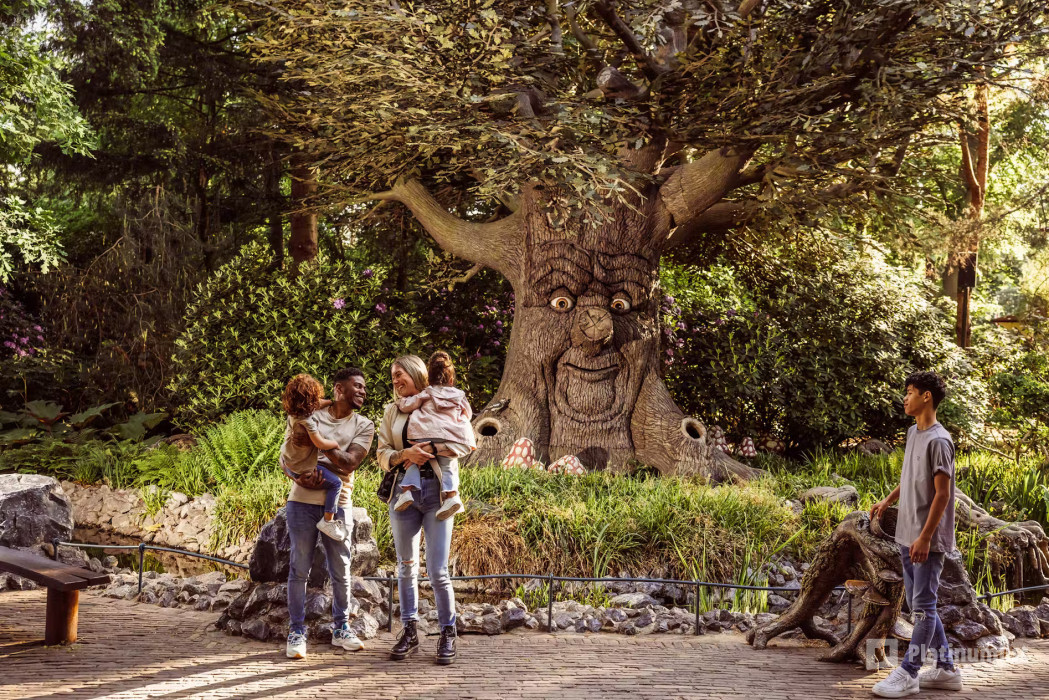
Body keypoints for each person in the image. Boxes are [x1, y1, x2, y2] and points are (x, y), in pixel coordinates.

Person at [870, 371, 962, 697]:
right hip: (906, 535)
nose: (905, 397)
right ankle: (947, 670)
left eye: (910, 391)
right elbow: (910, 476)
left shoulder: (940, 441)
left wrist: (925, 537)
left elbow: (943, 494)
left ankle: (909, 672)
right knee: (920, 605)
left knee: (923, 608)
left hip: (927, 540)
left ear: (926, 397)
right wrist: (887, 500)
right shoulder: (913, 433)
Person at [377, 354, 472, 665]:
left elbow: (463, 443)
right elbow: (381, 454)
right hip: (403, 492)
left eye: (400, 374)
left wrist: (431, 449)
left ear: (417, 374)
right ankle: (410, 631)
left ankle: (447, 632)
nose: (395, 381)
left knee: (438, 570)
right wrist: (405, 454)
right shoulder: (393, 411)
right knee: (405, 566)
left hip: (438, 494)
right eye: (393, 376)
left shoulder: (445, 402)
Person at [284, 367, 374, 660]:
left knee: (341, 570)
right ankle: (297, 631)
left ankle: (341, 628)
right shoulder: (310, 413)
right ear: (338, 389)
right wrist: (297, 476)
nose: (362, 391)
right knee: (299, 569)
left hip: (339, 506)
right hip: (301, 501)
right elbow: (286, 456)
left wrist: (321, 448)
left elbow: (349, 463)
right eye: (357, 386)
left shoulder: (364, 425)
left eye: (364, 388)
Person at [393, 351, 475, 520]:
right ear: (451, 380)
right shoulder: (459, 395)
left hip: (425, 433)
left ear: (428, 380)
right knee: (448, 465)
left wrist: (401, 403)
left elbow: (410, 405)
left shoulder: (427, 392)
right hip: (449, 436)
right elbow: (468, 413)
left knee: (415, 460)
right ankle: (451, 496)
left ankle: (406, 492)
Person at [279, 373, 347, 541]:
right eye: (315, 399)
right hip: (302, 469)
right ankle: (328, 521)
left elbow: (317, 405)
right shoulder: (308, 422)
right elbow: (320, 443)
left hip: (288, 461)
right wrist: (334, 444)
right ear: (310, 401)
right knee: (336, 484)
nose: (317, 402)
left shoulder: (294, 414)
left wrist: (331, 402)